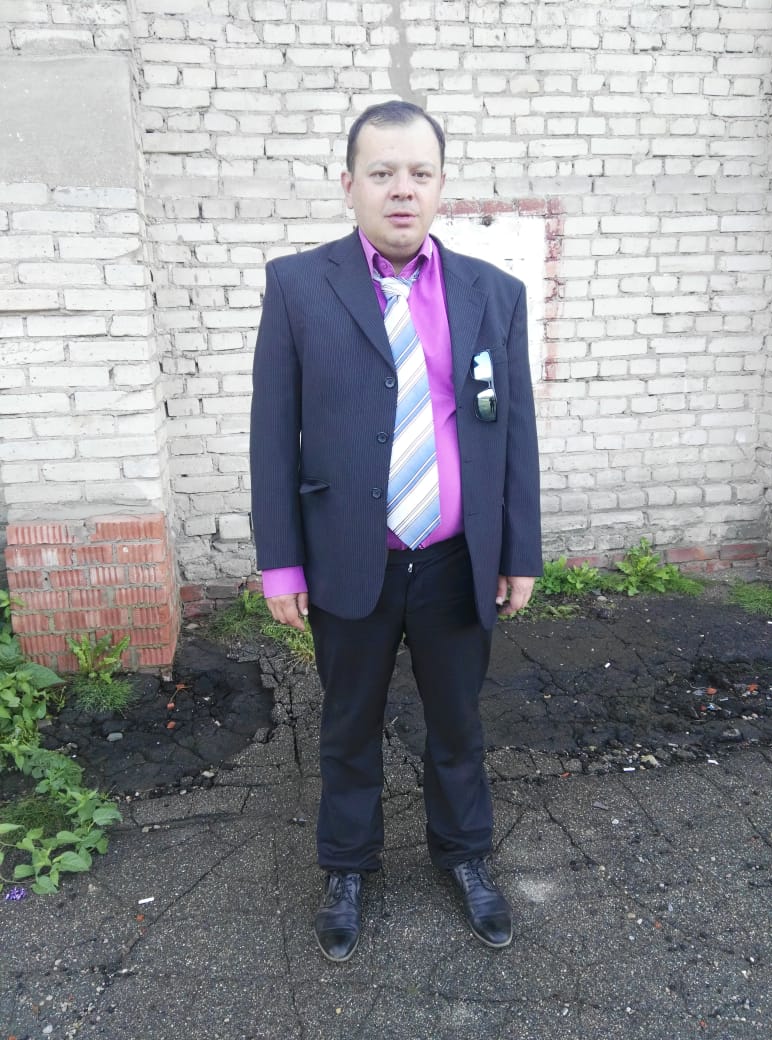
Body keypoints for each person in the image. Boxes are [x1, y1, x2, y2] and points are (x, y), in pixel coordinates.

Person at [250, 100, 542, 963]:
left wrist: (519, 549)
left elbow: (513, 430)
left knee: (457, 724)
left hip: (456, 559)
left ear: (442, 185)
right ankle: (346, 867)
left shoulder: (493, 294)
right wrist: (280, 565)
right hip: (351, 558)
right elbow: (273, 435)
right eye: (382, 173)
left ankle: (466, 856)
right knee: (347, 725)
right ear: (350, 185)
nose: (401, 190)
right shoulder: (299, 287)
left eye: (419, 173)